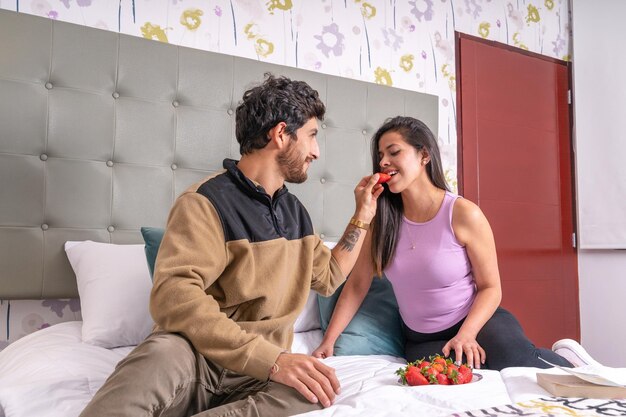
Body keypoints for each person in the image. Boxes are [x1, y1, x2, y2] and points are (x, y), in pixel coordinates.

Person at [80, 73, 385, 417]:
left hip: (260, 375)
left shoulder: (295, 213)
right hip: (197, 358)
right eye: (312, 136)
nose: (316, 151)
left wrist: (363, 215)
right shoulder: (203, 202)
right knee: (157, 356)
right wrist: (272, 361)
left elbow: (329, 276)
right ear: (281, 134)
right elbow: (174, 297)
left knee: (317, 390)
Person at [313, 116, 599, 371]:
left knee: (520, 365)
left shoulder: (463, 213)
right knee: (465, 378)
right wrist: (329, 341)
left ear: (424, 155)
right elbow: (357, 285)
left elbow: (491, 287)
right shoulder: (380, 220)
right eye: (380, 156)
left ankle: (574, 364)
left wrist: (467, 333)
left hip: (477, 321)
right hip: (421, 339)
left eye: (394, 152)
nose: (383, 162)